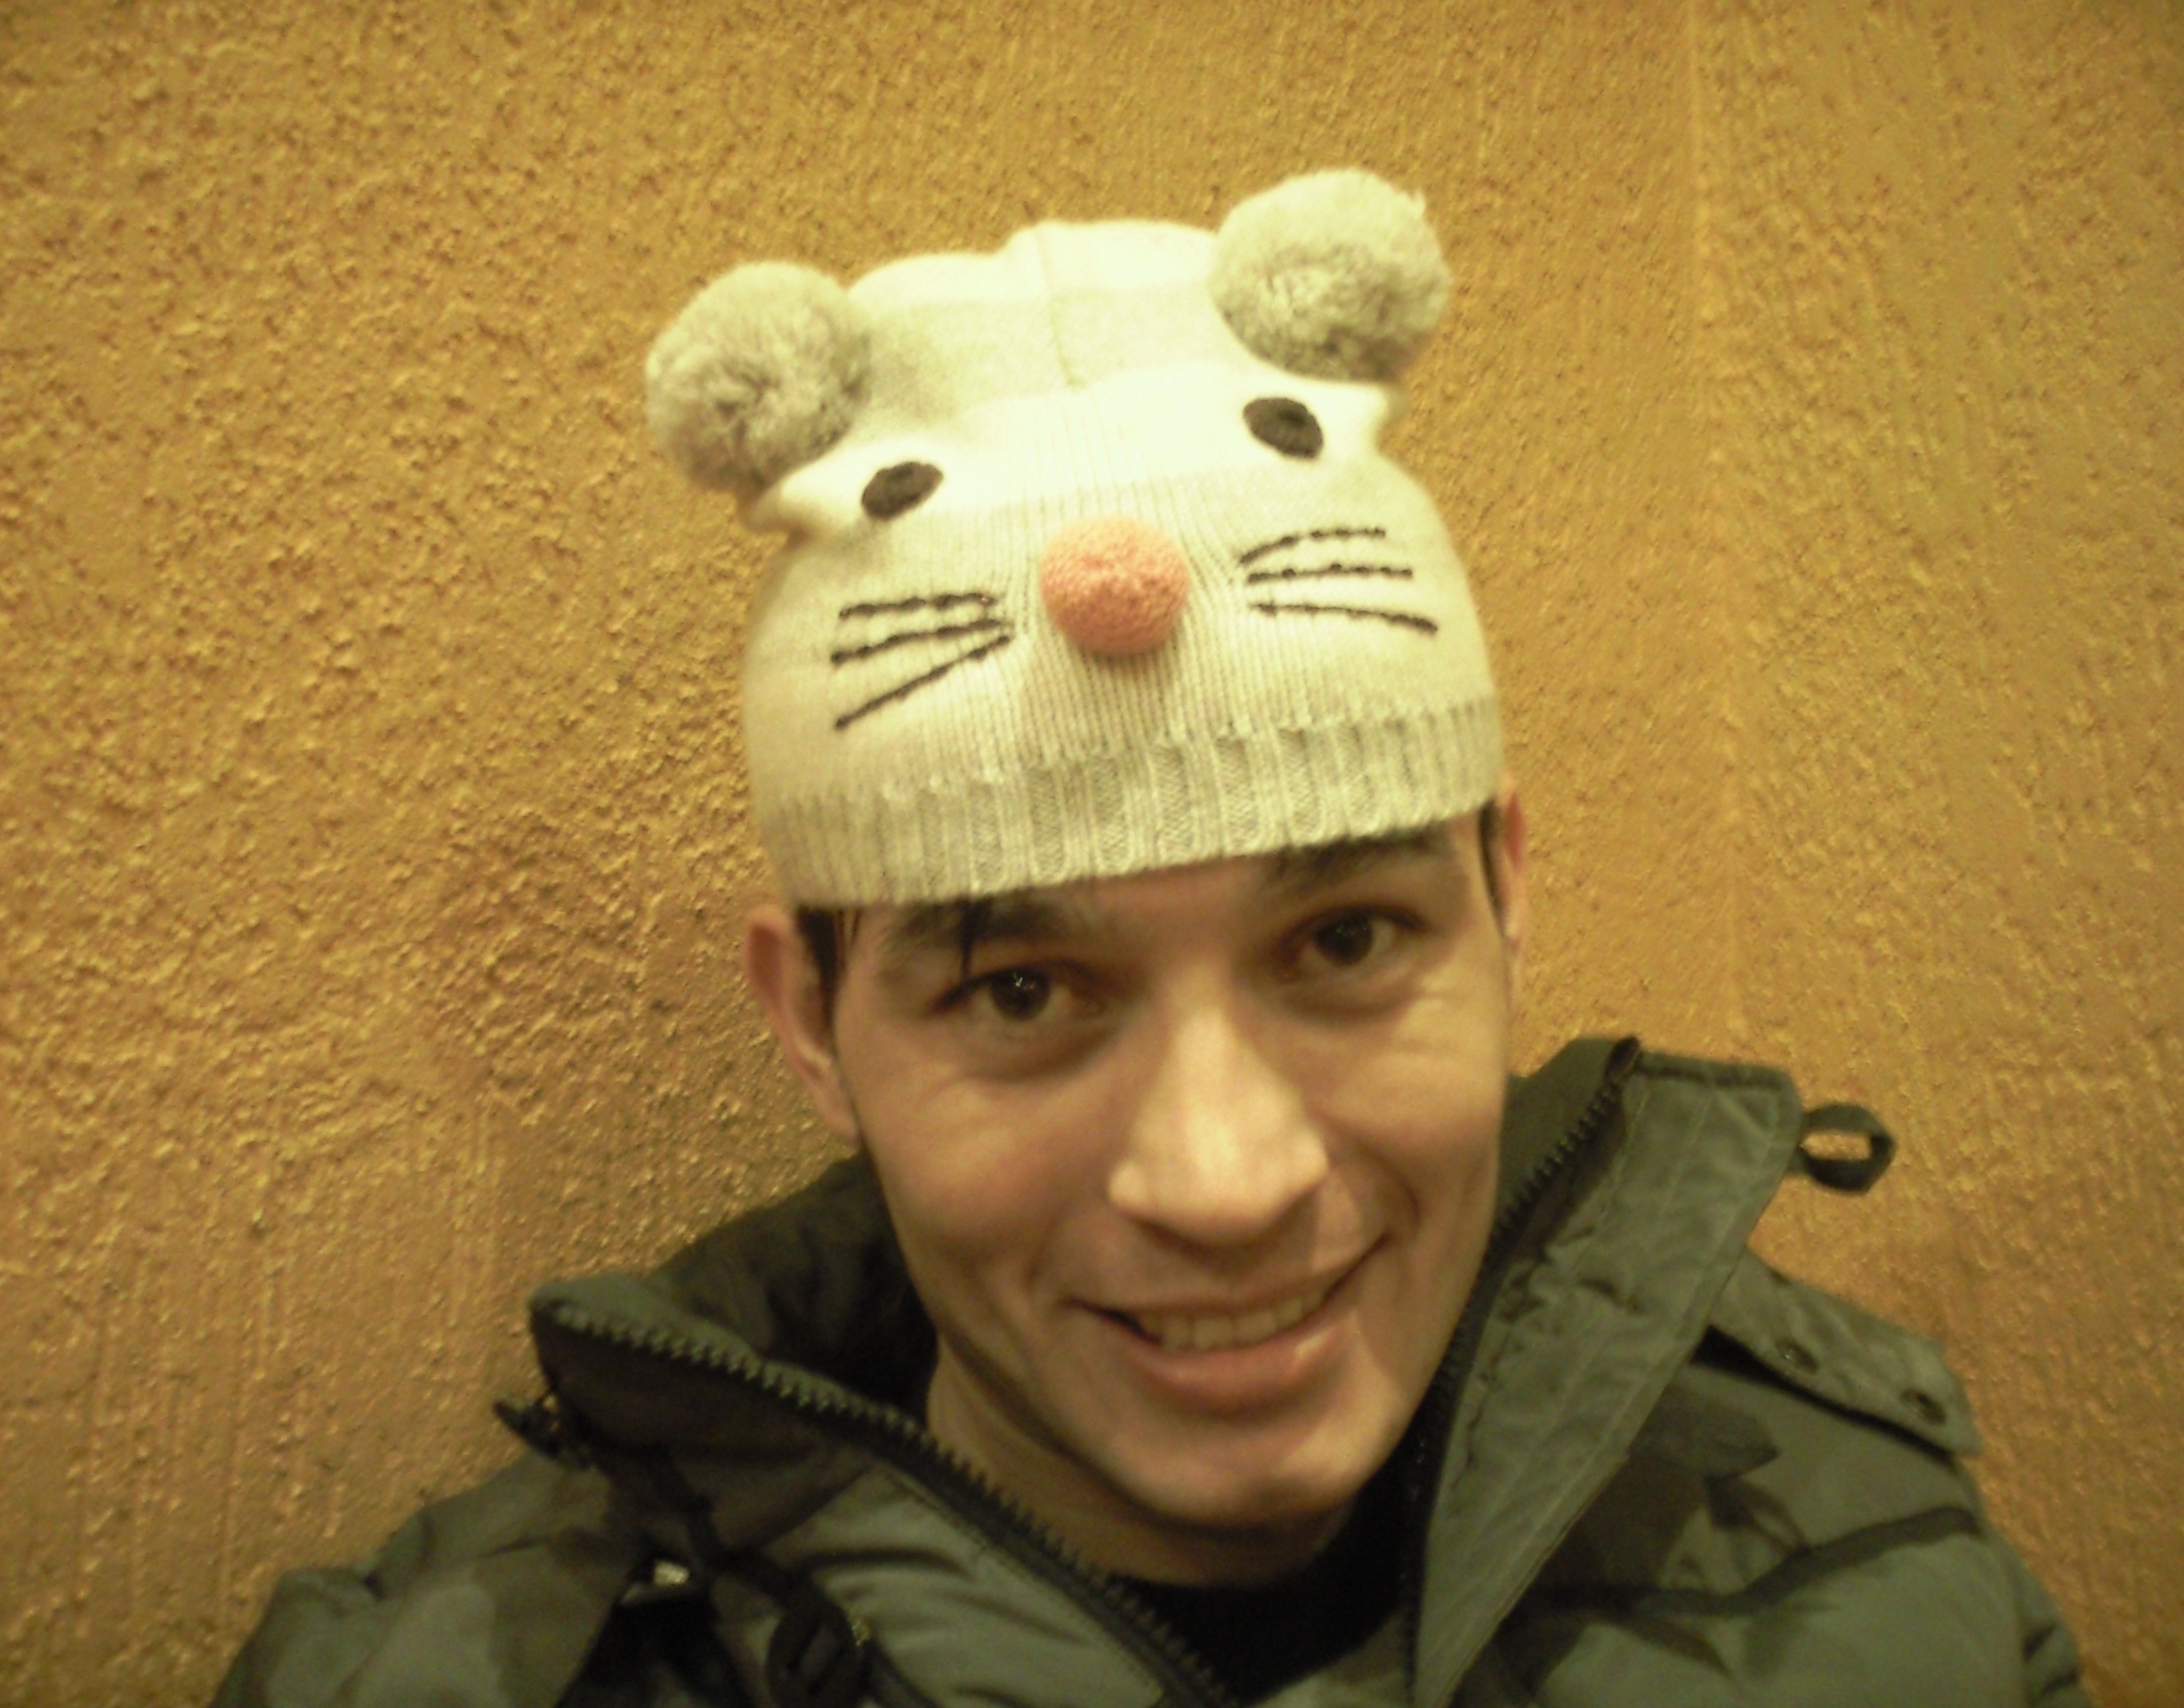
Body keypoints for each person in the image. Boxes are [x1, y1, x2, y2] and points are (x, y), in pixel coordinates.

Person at [216, 172, 2087, 1707]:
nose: (1225, 1180)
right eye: (1023, 989)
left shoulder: (1887, 1563)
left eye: (1343, 943)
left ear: (1509, 899)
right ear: (811, 1023)